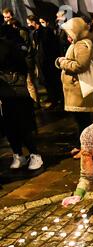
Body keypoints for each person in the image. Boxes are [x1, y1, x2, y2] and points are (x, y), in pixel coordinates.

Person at [0, 25, 44, 170]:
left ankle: (35, 155)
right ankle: (18, 154)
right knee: (10, 126)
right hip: (6, 92)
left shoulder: (8, 45)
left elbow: (18, 63)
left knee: (23, 125)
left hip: (16, 90)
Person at [55, 17, 93, 159]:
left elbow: (80, 65)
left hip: (78, 89)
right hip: (75, 89)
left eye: (69, 33)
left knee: (83, 121)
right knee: (80, 120)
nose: (68, 36)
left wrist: (62, 62)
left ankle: (86, 149)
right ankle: (82, 146)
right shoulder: (78, 43)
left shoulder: (82, 45)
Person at [27, 15, 63, 109]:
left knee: (53, 82)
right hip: (41, 61)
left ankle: (59, 101)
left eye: (29, 23)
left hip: (49, 61)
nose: (28, 25)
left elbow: (49, 47)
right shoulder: (35, 32)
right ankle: (53, 99)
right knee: (47, 82)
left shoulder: (46, 31)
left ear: (34, 22)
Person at [9, 18, 40, 108]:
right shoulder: (20, 32)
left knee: (30, 82)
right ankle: (34, 102)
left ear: (14, 26)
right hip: (26, 60)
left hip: (27, 60)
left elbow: (27, 48)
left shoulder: (21, 32)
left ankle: (35, 102)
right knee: (29, 82)